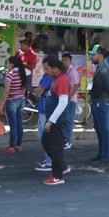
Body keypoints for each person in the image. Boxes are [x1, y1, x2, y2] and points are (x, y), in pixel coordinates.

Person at [41, 55, 71, 185]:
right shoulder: (55, 78)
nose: (45, 71)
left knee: (55, 147)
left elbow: (63, 103)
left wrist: (51, 121)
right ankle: (62, 166)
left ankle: (57, 176)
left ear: (54, 68)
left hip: (57, 121)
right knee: (46, 142)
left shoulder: (62, 80)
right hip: (53, 119)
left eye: (47, 69)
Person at [89, 45, 109, 165]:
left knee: (104, 130)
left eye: (93, 54)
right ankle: (102, 154)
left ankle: (106, 155)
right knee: (99, 128)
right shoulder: (101, 67)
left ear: (100, 55)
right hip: (98, 101)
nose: (92, 57)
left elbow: (108, 86)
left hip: (102, 102)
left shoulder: (105, 68)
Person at [0, 56, 26, 153]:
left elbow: (6, 91)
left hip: (11, 101)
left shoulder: (10, 75)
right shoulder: (22, 73)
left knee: (13, 125)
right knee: (19, 124)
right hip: (21, 100)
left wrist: (2, 103)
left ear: (12, 64)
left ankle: (11, 147)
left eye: (8, 63)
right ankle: (18, 145)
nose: (8, 65)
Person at [34, 68, 54, 171]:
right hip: (43, 108)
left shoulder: (48, 77)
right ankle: (48, 159)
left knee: (45, 136)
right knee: (42, 136)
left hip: (45, 109)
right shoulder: (50, 76)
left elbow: (40, 90)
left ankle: (49, 161)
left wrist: (38, 90)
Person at [61, 53, 80, 150]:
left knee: (69, 121)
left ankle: (68, 141)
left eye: (66, 60)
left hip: (71, 100)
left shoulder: (73, 72)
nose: (64, 62)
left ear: (70, 61)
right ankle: (64, 140)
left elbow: (77, 85)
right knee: (64, 120)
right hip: (64, 100)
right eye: (63, 60)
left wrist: (69, 96)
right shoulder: (63, 71)